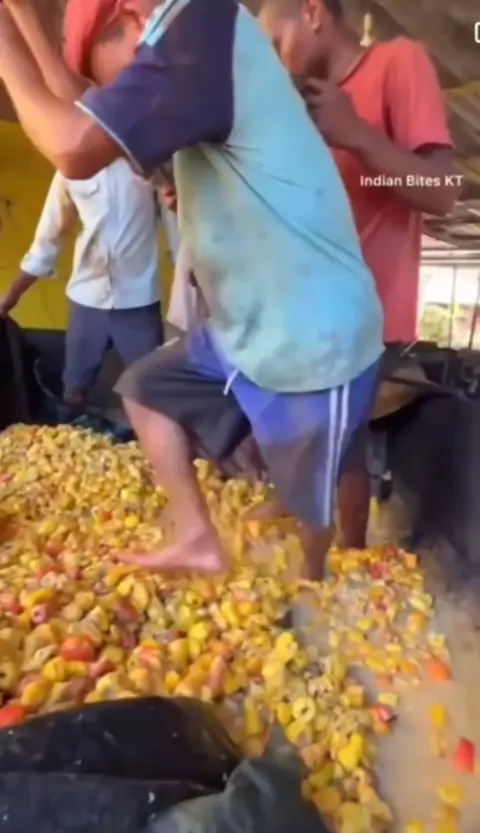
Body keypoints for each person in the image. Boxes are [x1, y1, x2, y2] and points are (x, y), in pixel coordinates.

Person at [0, 0, 384, 580]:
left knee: (313, 492)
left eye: (115, 76)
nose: (121, 95)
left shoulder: (199, 23)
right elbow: (83, 103)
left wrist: (5, 45)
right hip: (248, 320)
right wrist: (23, 18)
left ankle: (317, 584)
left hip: (311, 325)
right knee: (145, 389)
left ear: (132, 21)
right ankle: (200, 538)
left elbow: (75, 145)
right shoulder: (193, 65)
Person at [256, 0, 458, 547]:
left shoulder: (398, 62)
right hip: (305, 312)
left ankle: (347, 560)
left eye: (276, 44)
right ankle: (318, 533)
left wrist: (358, 134)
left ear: (313, 12)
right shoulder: (298, 109)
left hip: (368, 314)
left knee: (336, 444)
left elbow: (443, 192)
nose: (273, 62)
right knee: (310, 437)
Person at [0, 0, 164, 409]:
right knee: (74, 386)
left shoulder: (149, 160)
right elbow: (48, 239)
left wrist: (195, 299)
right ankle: (74, 426)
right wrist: (10, 297)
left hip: (138, 300)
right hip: (86, 296)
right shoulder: (69, 172)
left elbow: (184, 227)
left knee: (151, 392)